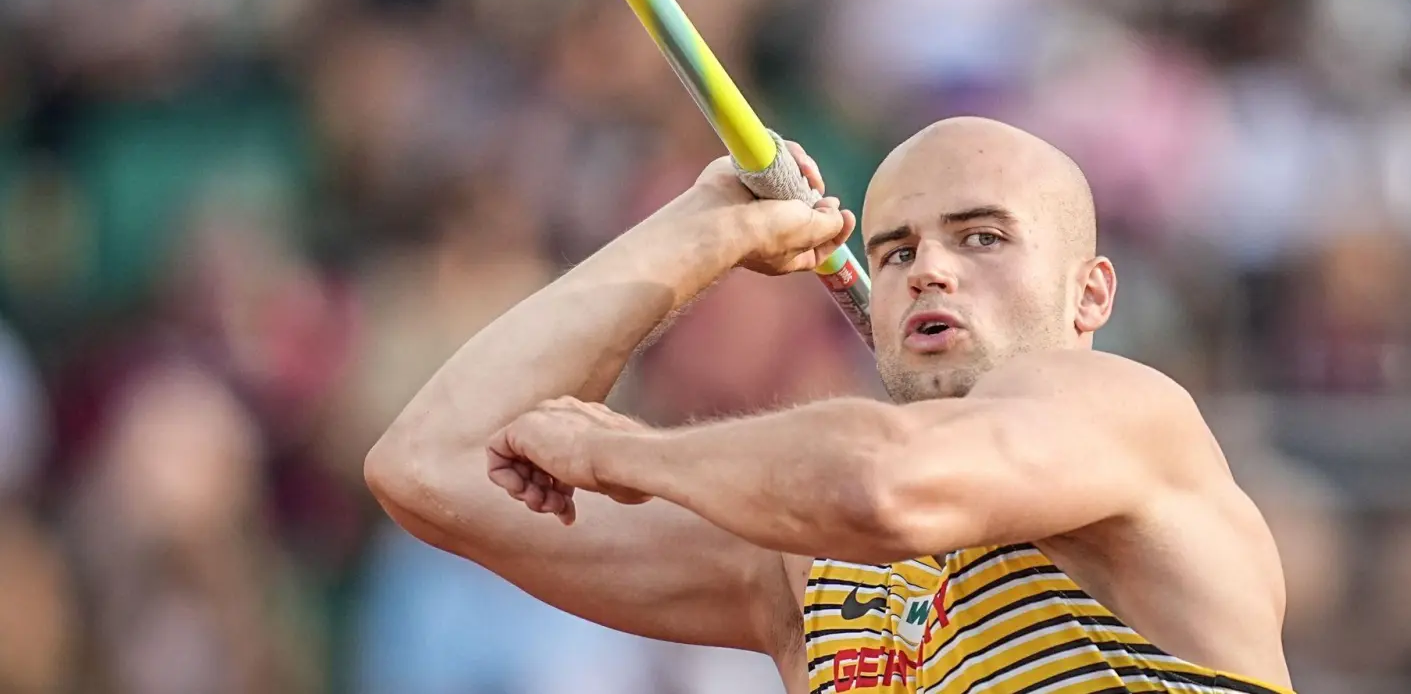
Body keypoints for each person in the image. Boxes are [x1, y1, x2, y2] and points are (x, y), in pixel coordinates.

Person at [366, 116, 1296, 693]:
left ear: (1091, 295)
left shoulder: (1128, 416)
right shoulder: (803, 572)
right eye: (896, 251)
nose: (931, 266)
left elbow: (883, 483)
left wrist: (621, 455)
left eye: (981, 238)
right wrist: (692, 239)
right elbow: (432, 469)